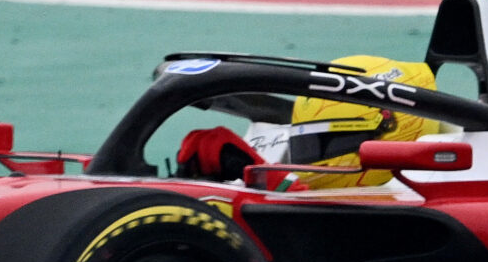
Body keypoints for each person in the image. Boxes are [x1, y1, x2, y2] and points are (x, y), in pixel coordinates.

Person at [173, 54, 443, 187]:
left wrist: (269, 183)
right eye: (304, 139)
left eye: (323, 143)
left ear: (389, 130)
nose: (307, 156)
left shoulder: (418, 212)